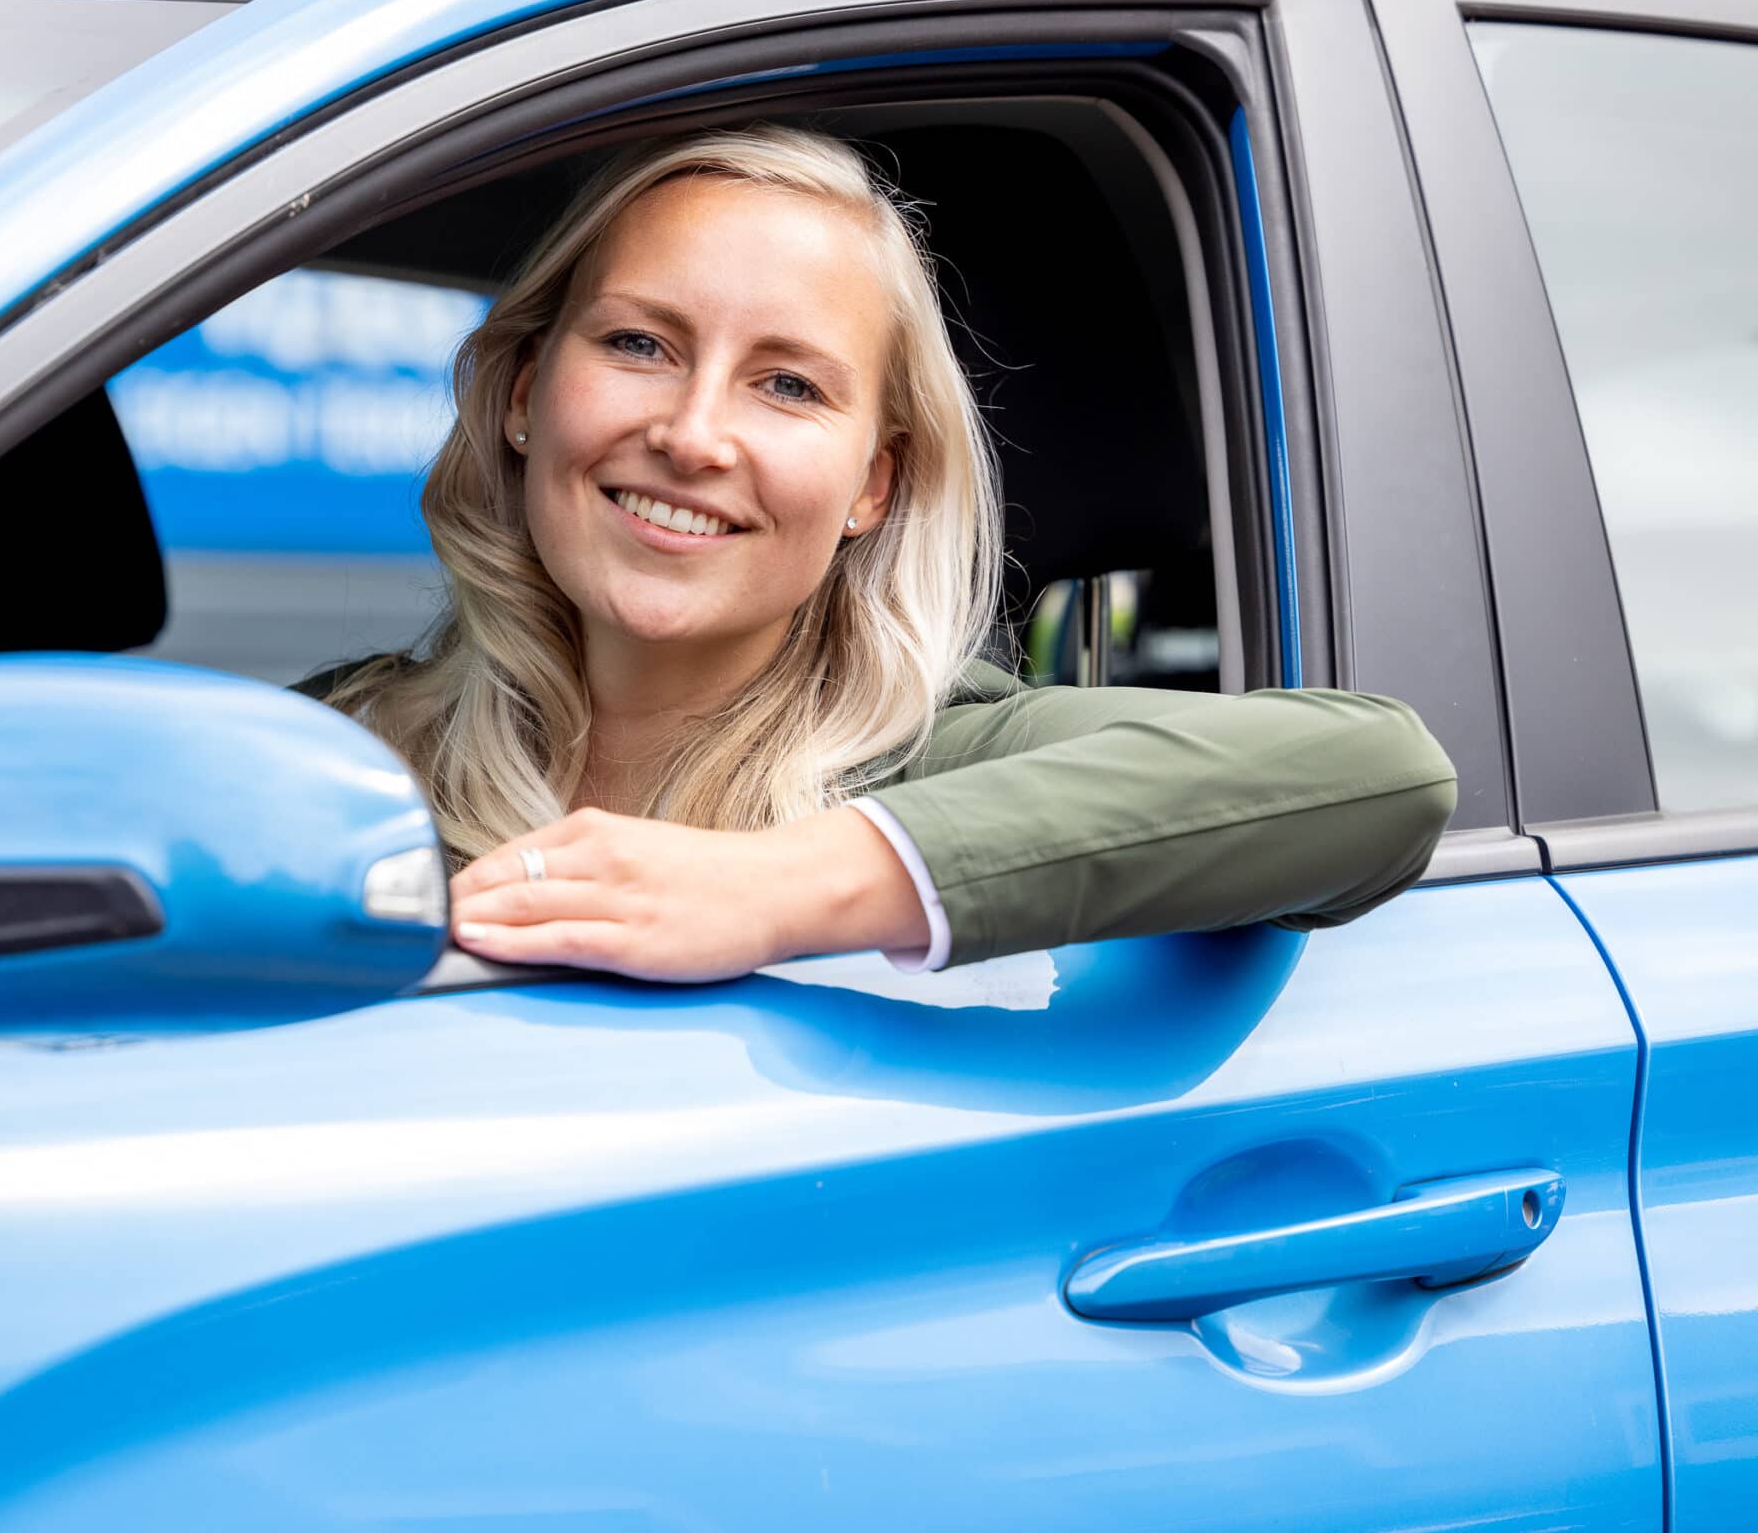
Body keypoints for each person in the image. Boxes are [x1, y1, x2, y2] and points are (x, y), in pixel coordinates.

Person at [302, 124, 1456, 982]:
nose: (693, 435)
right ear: (521, 393)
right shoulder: (333, 753)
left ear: (871, 486)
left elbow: (1380, 774)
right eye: (640, 343)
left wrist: (776, 889)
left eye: (787, 384)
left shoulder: (945, 756)